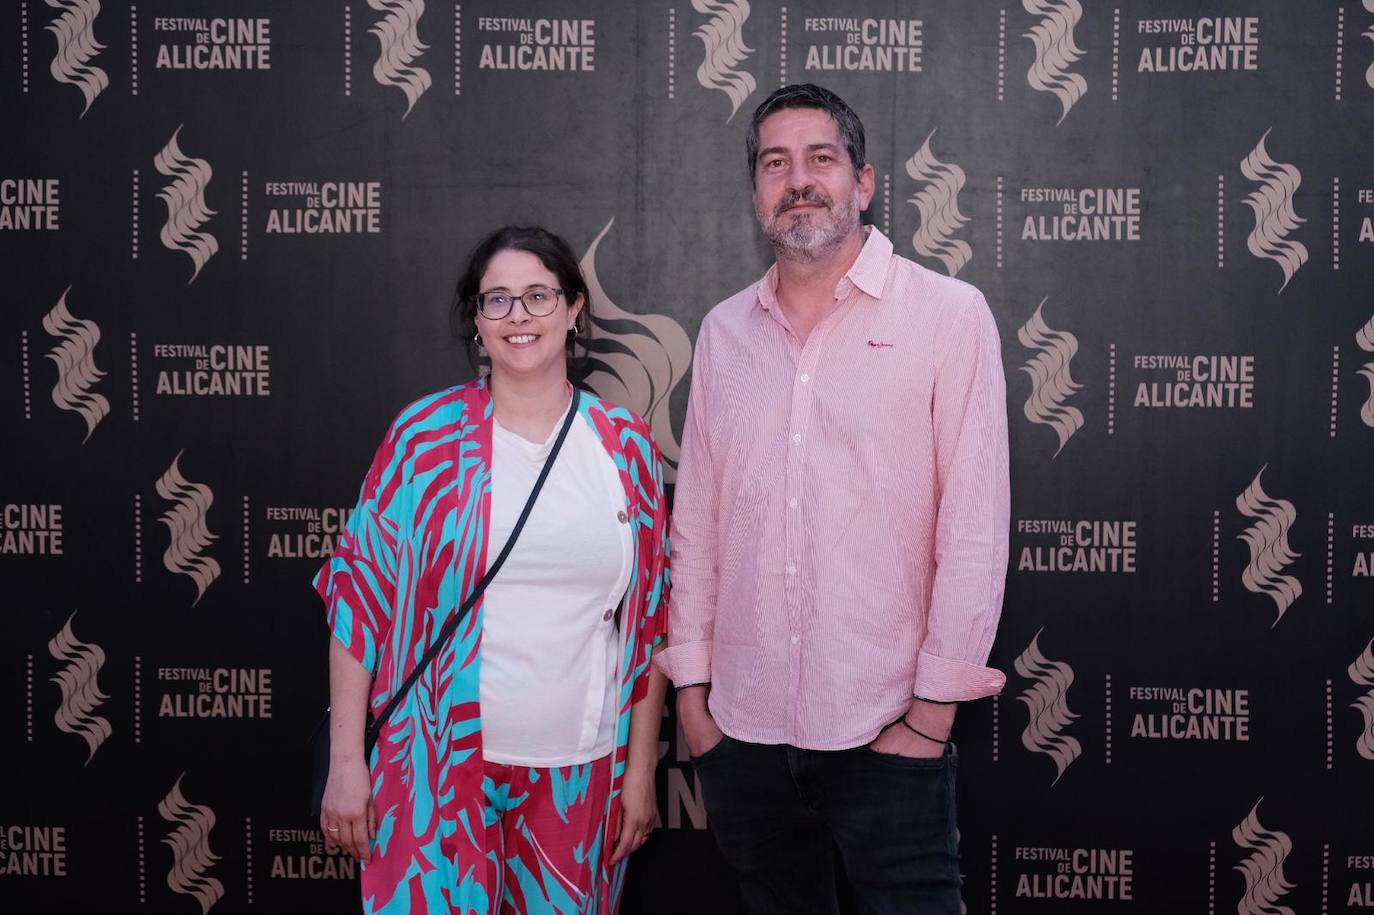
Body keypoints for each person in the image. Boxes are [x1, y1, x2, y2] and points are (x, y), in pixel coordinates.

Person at [655, 84, 1010, 914]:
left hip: (888, 727)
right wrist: (694, 697)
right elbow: (698, 521)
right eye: (775, 162)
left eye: (821, 157)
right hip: (742, 731)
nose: (798, 178)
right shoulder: (723, 333)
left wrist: (927, 716)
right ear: (755, 192)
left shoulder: (948, 317)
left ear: (866, 180)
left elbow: (975, 530)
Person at [316, 225, 670, 915]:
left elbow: (649, 623)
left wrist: (640, 771)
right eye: (497, 300)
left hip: (580, 772)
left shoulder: (624, 449)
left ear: (573, 310)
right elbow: (360, 601)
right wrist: (347, 761)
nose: (519, 316)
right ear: (476, 321)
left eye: (538, 295)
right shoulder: (422, 442)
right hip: (433, 770)